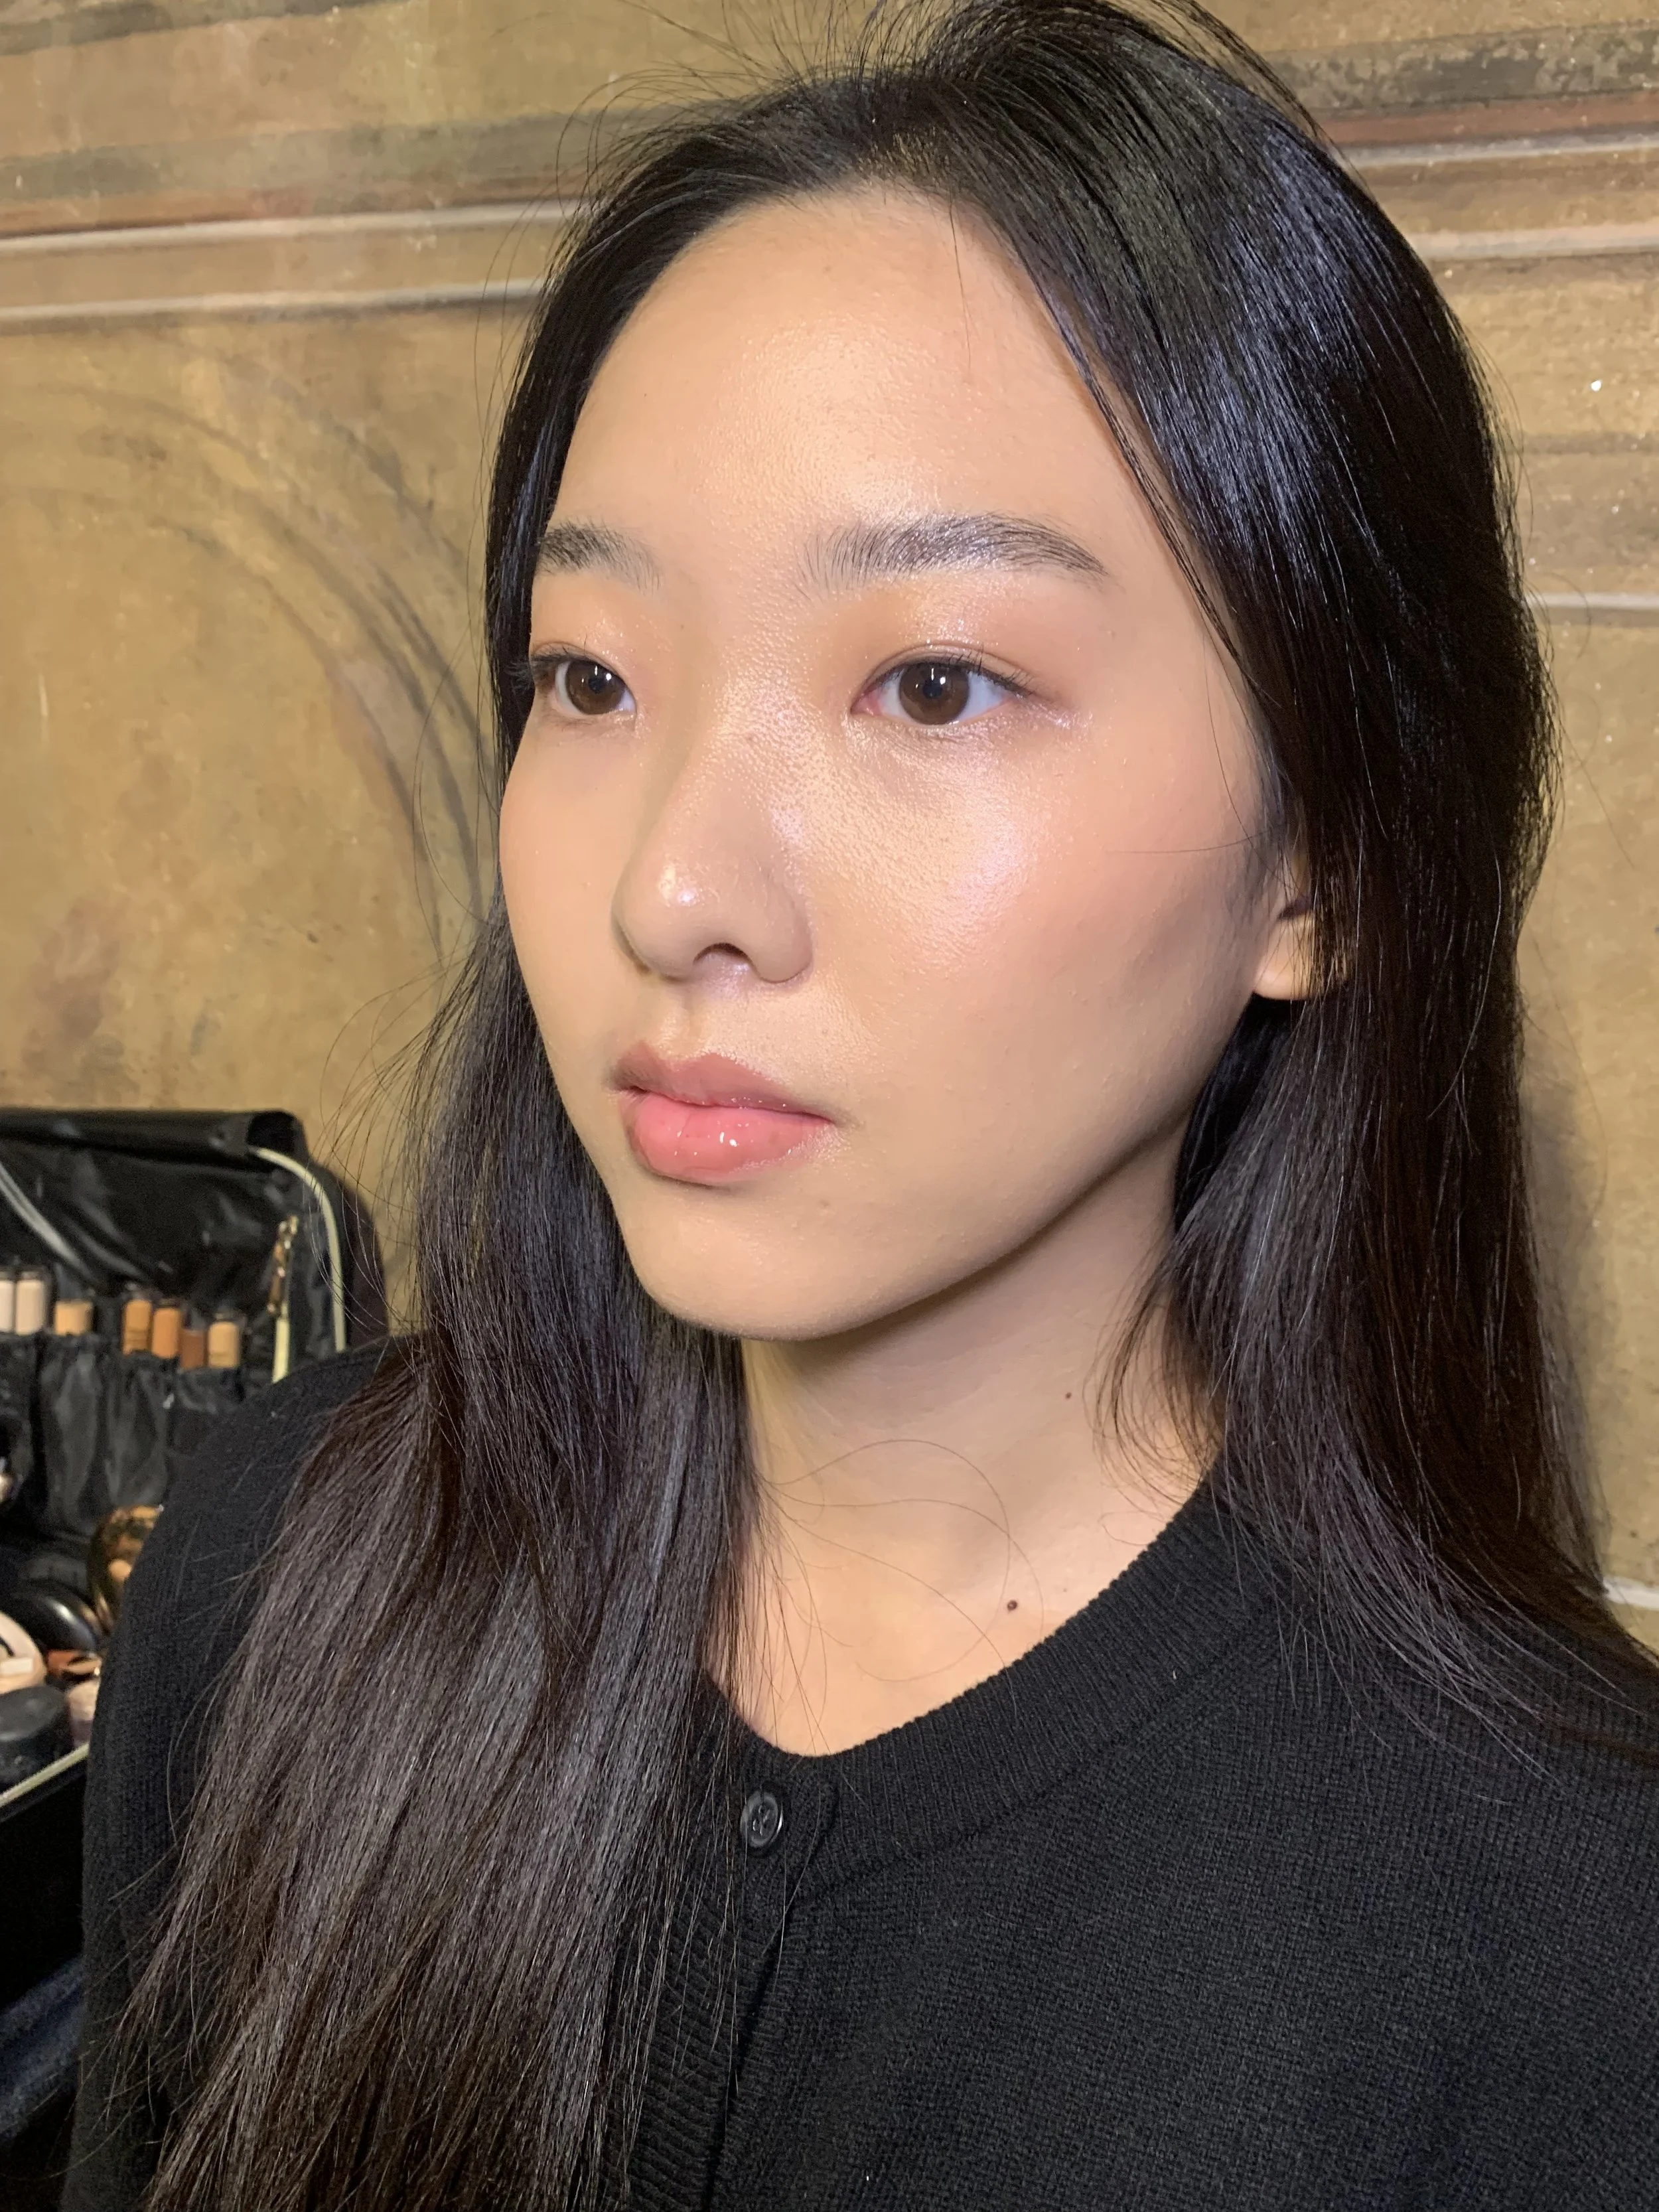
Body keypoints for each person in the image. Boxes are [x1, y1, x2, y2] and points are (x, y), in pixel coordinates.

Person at [64, 3, 1659, 2207]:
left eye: (931, 680)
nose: (671, 888)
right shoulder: (284, 1585)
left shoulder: (1567, 1938)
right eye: (591, 677)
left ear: (1328, 862)